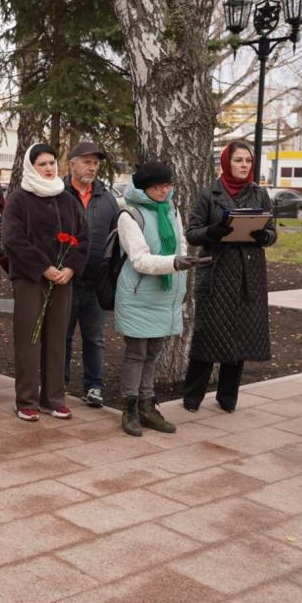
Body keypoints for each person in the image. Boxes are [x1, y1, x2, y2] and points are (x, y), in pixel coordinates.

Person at [182, 141, 275, 413]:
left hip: (248, 274)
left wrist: (263, 235)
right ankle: (192, 396)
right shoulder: (210, 193)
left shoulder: (260, 194)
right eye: (238, 160)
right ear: (226, 162)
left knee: (239, 337)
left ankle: (227, 397)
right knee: (208, 336)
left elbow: (271, 232)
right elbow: (192, 232)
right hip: (217, 273)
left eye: (248, 160)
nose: (244, 165)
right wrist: (215, 231)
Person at [2, 144, 89, 422]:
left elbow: (83, 237)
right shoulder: (19, 199)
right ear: (31, 167)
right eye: (43, 164)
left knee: (56, 338)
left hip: (63, 279)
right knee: (30, 337)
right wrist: (44, 268)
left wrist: (71, 268)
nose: (50, 168)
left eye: (52, 163)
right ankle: (26, 399)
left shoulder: (66, 199)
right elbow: (13, 240)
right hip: (30, 278)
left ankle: (53, 398)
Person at [114, 162, 197, 436]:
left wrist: (180, 261)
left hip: (165, 293)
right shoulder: (130, 214)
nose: (164, 190)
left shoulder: (171, 209)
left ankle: (147, 406)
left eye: (167, 185)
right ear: (143, 188)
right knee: (137, 353)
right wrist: (174, 263)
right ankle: (129, 408)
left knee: (153, 354)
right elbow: (139, 259)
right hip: (139, 293)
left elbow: (181, 243)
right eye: (157, 187)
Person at [63, 142, 119, 407]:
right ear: (71, 163)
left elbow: (114, 239)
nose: (92, 166)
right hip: (64, 281)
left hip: (95, 283)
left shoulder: (107, 199)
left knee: (94, 338)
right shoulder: (57, 194)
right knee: (61, 336)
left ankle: (93, 386)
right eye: (87, 161)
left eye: (96, 162)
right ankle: (57, 384)